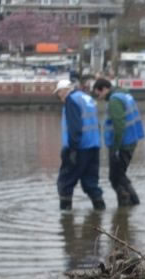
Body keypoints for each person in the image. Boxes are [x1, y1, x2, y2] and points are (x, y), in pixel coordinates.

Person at [92, 78, 145, 206]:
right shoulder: (125, 94)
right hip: (131, 140)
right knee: (119, 175)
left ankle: (127, 204)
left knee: (115, 177)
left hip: (122, 144)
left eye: (98, 94)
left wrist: (115, 148)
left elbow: (119, 125)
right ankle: (131, 205)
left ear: (104, 89)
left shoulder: (114, 101)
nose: (98, 98)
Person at [53, 79, 105, 211]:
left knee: (65, 182)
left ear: (64, 90)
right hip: (93, 146)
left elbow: (75, 127)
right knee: (90, 183)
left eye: (59, 93)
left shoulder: (71, 100)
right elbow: (96, 124)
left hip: (79, 148)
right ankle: (100, 211)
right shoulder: (87, 98)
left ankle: (65, 218)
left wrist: (72, 150)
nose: (59, 97)